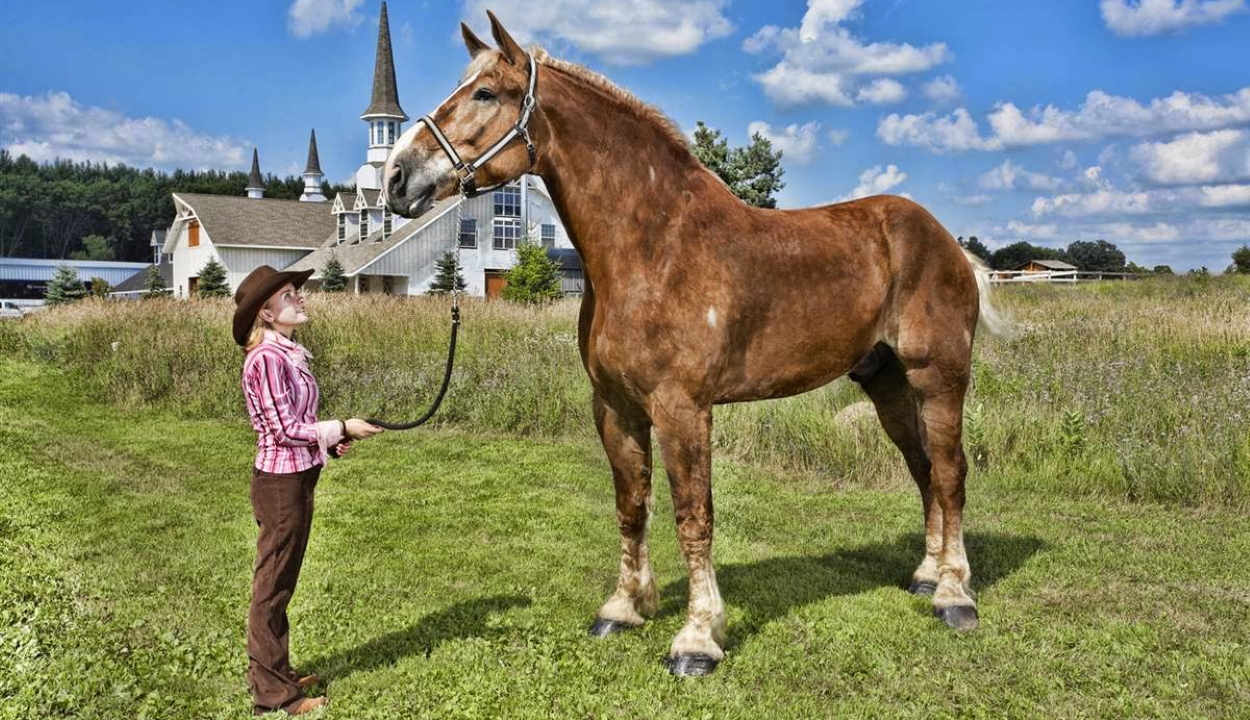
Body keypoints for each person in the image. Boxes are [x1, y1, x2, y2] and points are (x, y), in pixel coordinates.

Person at [232, 265, 383, 715]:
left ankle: (276, 671)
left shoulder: (289, 352)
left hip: (296, 477)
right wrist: (340, 426)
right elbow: (283, 430)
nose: (300, 299)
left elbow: (298, 428)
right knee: (272, 587)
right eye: (289, 295)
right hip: (280, 485)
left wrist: (333, 442)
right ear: (266, 312)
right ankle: (273, 694)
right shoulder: (267, 359)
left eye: (297, 292)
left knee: (282, 582)